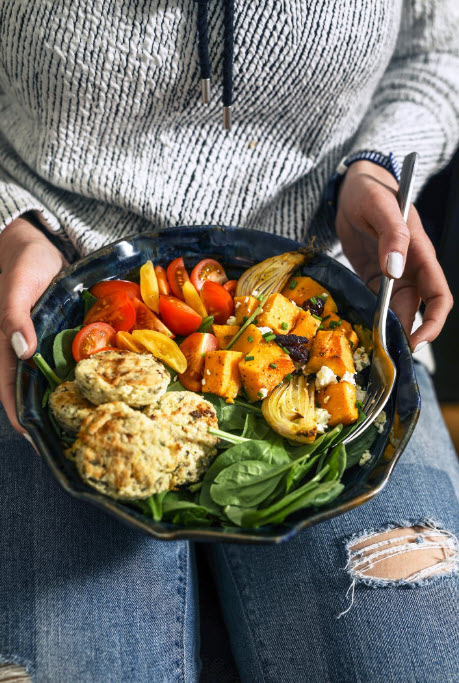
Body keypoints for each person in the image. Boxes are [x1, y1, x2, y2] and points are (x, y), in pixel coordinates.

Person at [1, 1, 458, 681]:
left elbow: (435, 53)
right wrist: (7, 221)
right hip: (51, 307)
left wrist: (374, 169)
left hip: (323, 288)